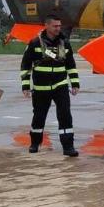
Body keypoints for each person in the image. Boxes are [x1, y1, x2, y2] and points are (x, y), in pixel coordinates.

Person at [21, 15, 80, 157]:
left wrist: (75, 83)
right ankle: (35, 143)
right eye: (55, 26)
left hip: (60, 85)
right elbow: (25, 65)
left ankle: (68, 146)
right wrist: (25, 86)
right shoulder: (35, 43)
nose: (58, 28)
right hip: (41, 88)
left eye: (59, 26)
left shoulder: (64, 43)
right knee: (39, 117)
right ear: (46, 26)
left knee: (65, 115)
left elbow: (71, 65)